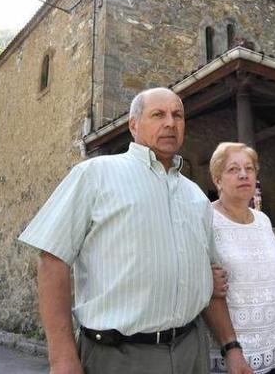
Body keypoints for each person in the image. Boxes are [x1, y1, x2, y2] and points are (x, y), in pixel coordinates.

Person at [18, 87, 249, 374]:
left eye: (177, 115)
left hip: (192, 353)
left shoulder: (197, 197)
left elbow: (210, 281)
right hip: (118, 357)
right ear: (134, 124)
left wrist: (231, 347)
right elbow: (52, 260)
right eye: (158, 114)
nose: (170, 123)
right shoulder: (94, 175)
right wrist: (62, 358)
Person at [205, 142, 275, 373]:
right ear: (217, 179)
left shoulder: (263, 221)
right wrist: (231, 349)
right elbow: (207, 289)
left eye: (249, 168)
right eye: (233, 169)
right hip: (234, 356)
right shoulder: (206, 220)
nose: (243, 174)